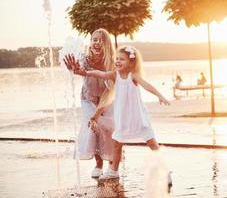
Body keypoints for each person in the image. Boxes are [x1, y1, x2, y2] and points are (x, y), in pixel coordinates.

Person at [71, 46, 170, 179]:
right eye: (116, 58)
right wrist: (85, 73)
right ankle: (114, 171)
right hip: (122, 118)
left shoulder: (133, 76)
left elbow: (147, 86)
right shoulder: (115, 75)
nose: (118, 61)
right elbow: (100, 73)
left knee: (152, 143)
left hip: (137, 117)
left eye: (122, 59)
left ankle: (165, 170)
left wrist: (160, 96)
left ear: (131, 62)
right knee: (117, 144)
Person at [63, 28, 115, 178]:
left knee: (109, 129)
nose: (97, 42)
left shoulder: (111, 61)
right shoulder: (84, 58)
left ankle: (112, 163)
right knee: (93, 129)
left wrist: (99, 111)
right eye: (94, 39)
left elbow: (110, 90)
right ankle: (98, 164)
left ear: (106, 43)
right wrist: (73, 69)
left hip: (107, 100)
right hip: (88, 99)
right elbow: (78, 69)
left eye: (101, 40)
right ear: (90, 42)